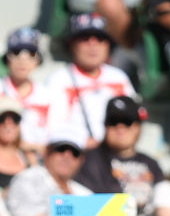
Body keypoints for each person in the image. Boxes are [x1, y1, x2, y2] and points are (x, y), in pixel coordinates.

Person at [3, 124, 105, 216]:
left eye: (74, 152)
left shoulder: (86, 194)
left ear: (81, 159)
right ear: (46, 152)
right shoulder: (29, 179)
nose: (67, 156)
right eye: (61, 149)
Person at [45, 13, 136, 148]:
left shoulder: (119, 77)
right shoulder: (58, 80)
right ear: (72, 45)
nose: (93, 45)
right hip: (75, 153)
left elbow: (134, 121)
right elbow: (52, 129)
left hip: (114, 152)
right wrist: (83, 143)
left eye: (100, 39)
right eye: (85, 39)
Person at [75, 96, 165, 216]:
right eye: (113, 121)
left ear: (138, 126)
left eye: (127, 121)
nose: (120, 127)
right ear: (105, 125)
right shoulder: (88, 161)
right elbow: (84, 206)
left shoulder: (152, 164)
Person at [0, 26, 50, 157]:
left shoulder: (47, 94)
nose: (23, 60)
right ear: (7, 57)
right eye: (16, 52)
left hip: (37, 161)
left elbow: (51, 138)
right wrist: (31, 147)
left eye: (31, 54)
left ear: (38, 60)